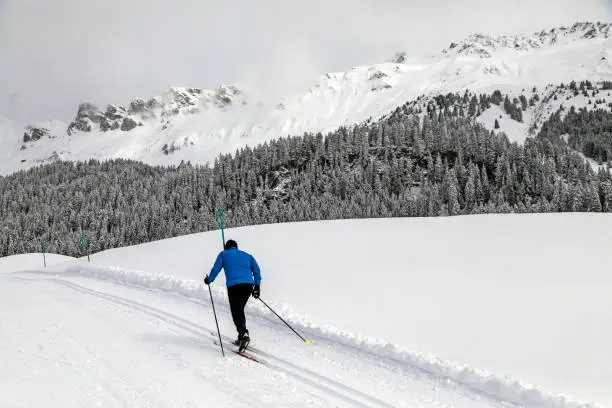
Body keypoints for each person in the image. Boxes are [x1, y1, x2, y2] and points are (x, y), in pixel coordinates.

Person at [204, 239, 261, 351]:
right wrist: (257, 286)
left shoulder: (223, 254)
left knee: (236, 312)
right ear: (236, 247)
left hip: (234, 287)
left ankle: (243, 334)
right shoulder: (247, 255)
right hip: (248, 286)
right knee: (239, 310)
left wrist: (209, 279)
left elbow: (216, 268)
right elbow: (257, 270)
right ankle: (242, 335)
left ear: (226, 247)